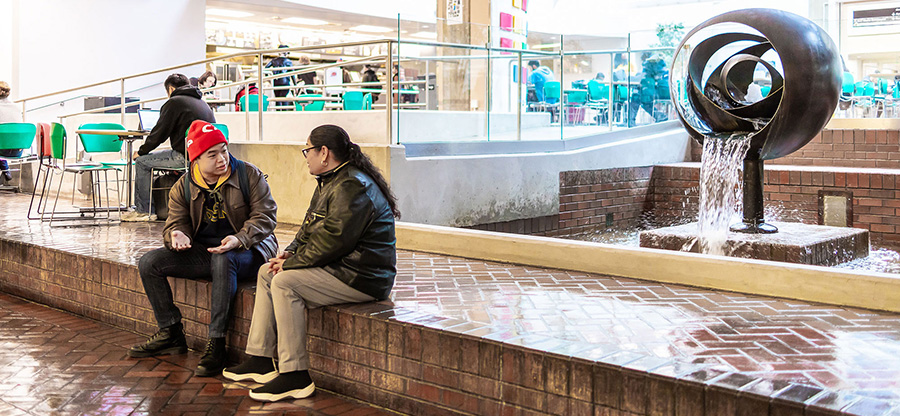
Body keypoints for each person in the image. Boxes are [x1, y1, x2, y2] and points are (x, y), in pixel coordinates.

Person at [223, 125, 400, 402]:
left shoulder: (352, 185)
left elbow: (334, 240)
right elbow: (308, 230)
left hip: (362, 277)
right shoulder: (331, 180)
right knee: (266, 272)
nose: (305, 157)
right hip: (341, 269)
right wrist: (289, 255)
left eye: (308, 150)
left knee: (284, 282)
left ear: (324, 153)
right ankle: (260, 360)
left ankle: (296, 375)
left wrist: (292, 267)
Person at [129, 120, 278, 377]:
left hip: (249, 250)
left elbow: (265, 217)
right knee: (149, 263)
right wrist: (176, 234)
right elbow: (176, 222)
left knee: (224, 259)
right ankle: (171, 333)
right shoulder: (183, 186)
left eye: (224, 150)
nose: (222, 158)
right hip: (206, 251)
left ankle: (216, 343)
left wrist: (239, 239)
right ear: (196, 159)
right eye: (213, 154)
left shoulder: (248, 174)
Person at [124, 74, 215, 221]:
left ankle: (143, 211)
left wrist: (141, 152)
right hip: (206, 157)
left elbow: (159, 134)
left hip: (186, 157)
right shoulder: (202, 102)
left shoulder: (174, 103)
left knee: (142, 162)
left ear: (171, 89)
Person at [0, 81, 23, 182]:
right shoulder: (17, 107)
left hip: (3, 149)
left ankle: (5, 168)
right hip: (17, 150)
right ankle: (5, 169)